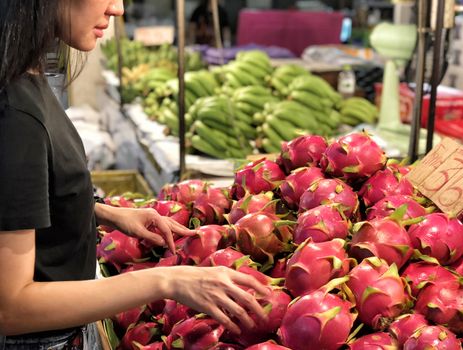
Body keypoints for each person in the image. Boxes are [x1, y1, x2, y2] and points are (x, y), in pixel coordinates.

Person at [0, 1, 268, 349]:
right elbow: (12, 307)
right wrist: (167, 281)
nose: (119, 8)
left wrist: (101, 212)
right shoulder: (16, 114)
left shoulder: (27, 79)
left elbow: (21, 197)